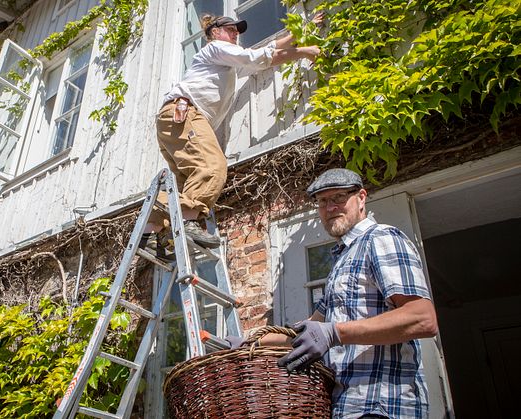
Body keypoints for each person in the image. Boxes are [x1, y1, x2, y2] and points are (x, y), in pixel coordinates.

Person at [143, 13, 323, 252]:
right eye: (231, 29)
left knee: (183, 183)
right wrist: (300, 37)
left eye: (238, 30)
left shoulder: (224, 65)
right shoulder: (215, 48)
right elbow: (255, 56)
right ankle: (186, 221)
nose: (236, 33)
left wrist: (304, 49)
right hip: (184, 114)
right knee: (212, 166)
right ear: (215, 33)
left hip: (173, 120)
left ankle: (150, 234)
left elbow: (266, 59)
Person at [272, 168, 439, 418]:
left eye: (339, 197)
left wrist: (334, 332)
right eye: (322, 201)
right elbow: (310, 331)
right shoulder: (342, 261)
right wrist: (249, 342)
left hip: (383, 407)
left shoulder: (381, 238)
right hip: (346, 408)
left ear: (361, 198)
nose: (330, 208)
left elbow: (422, 319)